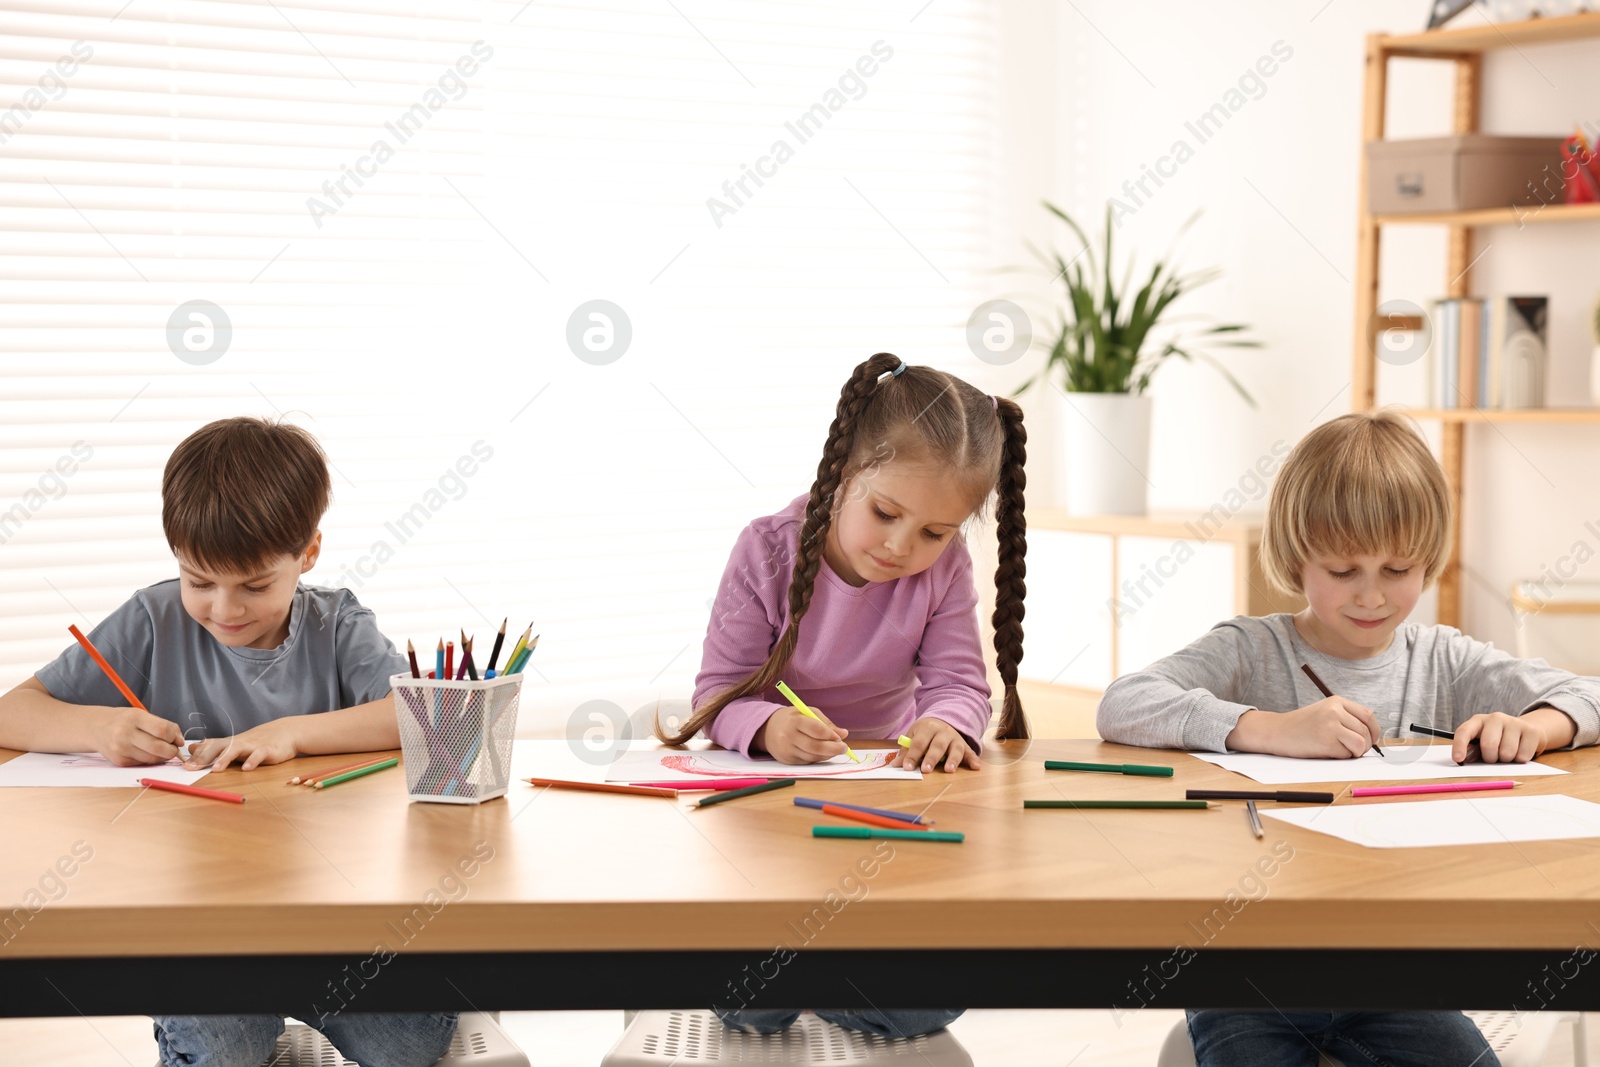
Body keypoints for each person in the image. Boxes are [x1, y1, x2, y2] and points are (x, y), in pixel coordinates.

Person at [1099, 409, 1600, 1066]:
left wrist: (1533, 725)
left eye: (1399, 569)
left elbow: (1591, 692)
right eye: (1342, 570)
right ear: (1298, 556)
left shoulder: (1443, 658)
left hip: (1396, 979)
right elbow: (1123, 703)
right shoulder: (1253, 649)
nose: (1372, 596)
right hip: (1247, 976)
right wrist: (1268, 729)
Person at [0, 416, 456, 1067]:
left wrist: (290, 733)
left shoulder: (339, 625)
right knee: (224, 1053)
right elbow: (11, 711)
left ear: (309, 553)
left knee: (409, 1042)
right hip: (195, 927)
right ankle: (257, 1013)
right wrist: (98, 726)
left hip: (331, 918)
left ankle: (287, 1005)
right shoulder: (152, 619)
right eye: (199, 580)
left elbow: (419, 718)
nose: (224, 609)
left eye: (255, 585)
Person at [661, 352, 1028, 1039]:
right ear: (845, 472)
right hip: (765, 804)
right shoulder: (766, 548)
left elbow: (958, 684)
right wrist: (770, 728)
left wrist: (948, 724)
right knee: (747, 1002)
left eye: (934, 532)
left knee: (930, 1006)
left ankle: (824, 982)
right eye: (885, 511)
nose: (900, 545)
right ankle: (805, 979)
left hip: (881, 802)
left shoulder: (943, 569)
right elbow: (716, 694)